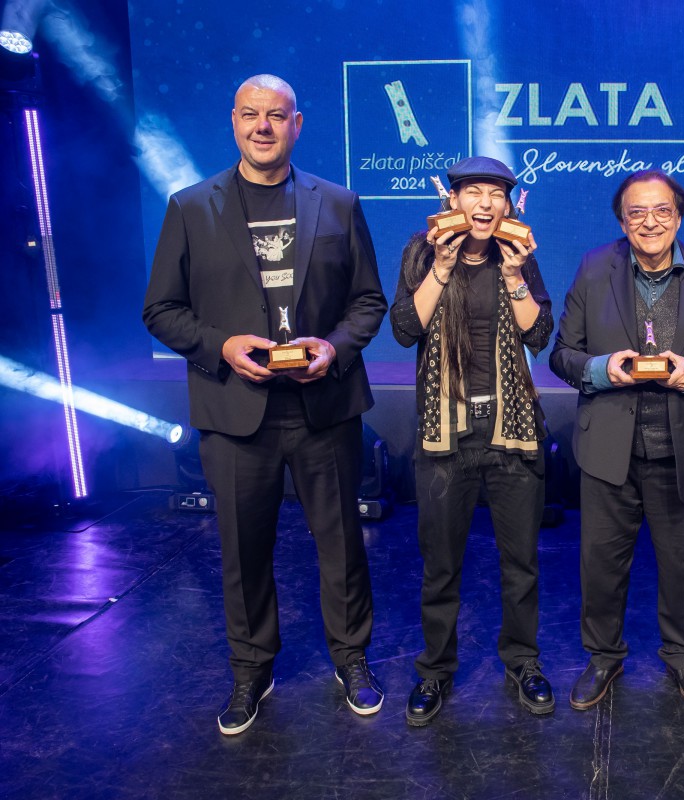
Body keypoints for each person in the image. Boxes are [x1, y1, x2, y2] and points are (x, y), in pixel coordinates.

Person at [143, 74, 387, 735]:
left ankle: (352, 660)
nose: (262, 126)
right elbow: (161, 309)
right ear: (233, 121)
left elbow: (368, 301)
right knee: (242, 550)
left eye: (275, 116)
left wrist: (334, 347)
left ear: (296, 124)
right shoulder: (191, 206)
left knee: (342, 546)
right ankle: (251, 670)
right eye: (250, 114)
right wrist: (221, 346)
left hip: (323, 407)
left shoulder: (339, 203)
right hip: (235, 409)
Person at [550, 170, 684, 711]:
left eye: (662, 210)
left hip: (682, 448)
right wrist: (600, 369)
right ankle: (603, 657)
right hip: (607, 449)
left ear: (679, 217)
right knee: (600, 567)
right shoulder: (595, 268)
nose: (650, 222)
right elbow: (562, 353)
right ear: (622, 221)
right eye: (637, 212)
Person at [390, 157, 555, 726]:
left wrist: (515, 276)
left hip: (512, 427)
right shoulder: (422, 252)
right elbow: (405, 329)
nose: (485, 204)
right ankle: (435, 670)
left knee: (521, 562)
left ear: (509, 205)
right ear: (453, 200)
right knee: (441, 565)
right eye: (473, 192)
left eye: (496, 195)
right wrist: (439, 268)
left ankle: (523, 662)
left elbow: (539, 332)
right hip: (446, 432)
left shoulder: (518, 255)